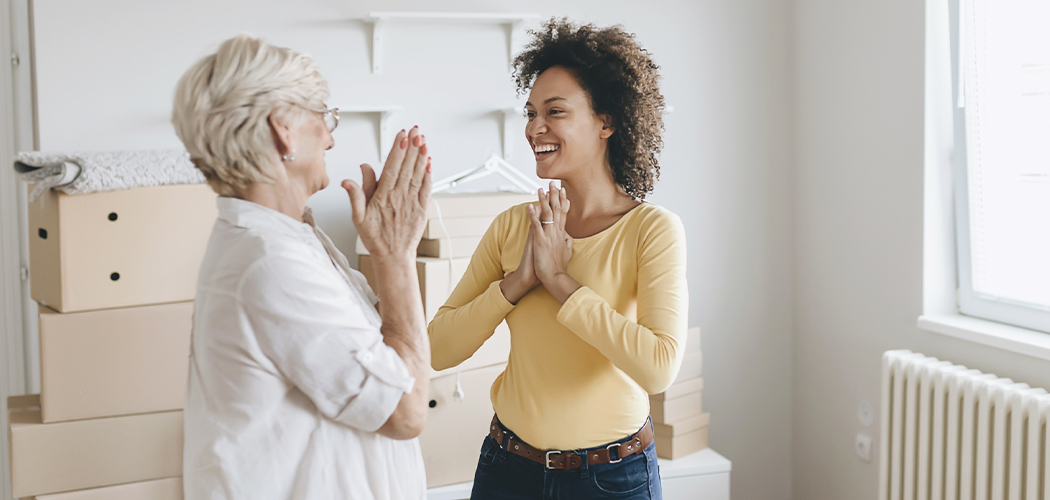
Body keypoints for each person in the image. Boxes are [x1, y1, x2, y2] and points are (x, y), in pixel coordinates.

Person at [428, 18, 688, 500]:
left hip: (612, 480)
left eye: (554, 111)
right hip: (506, 468)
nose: (534, 127)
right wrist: (517, 283)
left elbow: (658, 367)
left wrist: (559, 280)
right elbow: (438, 349)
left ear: (606, 121)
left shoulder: (651, 230)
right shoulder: (513, 226)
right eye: (530, 112)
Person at [172, 34, 433, 499]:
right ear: (283, 131)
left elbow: (383, 347)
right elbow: (406, 410)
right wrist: (395, 256)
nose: (331, 135)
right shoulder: (271, 263)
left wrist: (386, 248)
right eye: (323, 115)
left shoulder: (292, 239)